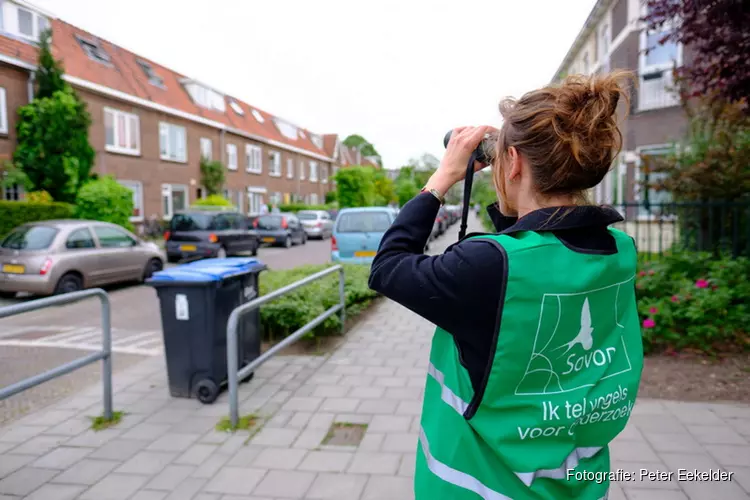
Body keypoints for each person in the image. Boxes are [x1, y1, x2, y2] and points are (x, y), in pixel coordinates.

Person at [369, 71, 643, 500]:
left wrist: (441, 178)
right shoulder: (619, 250)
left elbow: (386, 267)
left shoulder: (488, 266)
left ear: (512, 162)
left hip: (480, 488)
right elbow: (539, 244)